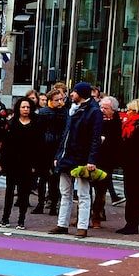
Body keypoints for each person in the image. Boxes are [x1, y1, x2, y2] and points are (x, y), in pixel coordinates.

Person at [48, 82, 103, 238]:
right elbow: (65, 136)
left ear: (81, 94)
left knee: (83, 193)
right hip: (67, 157)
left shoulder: (93, 112)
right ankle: (62, 224)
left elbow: (95, 138)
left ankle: (82, 226)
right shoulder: (72, 110)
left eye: (74, 92)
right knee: (65, 192)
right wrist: (58, 156)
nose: (71, 94)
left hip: (81, 158)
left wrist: (91, 160)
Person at [0, 97, 43, 229]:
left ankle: (21, 220)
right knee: (9, 192)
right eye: (23, 107)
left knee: (24, 193)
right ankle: (5, 219)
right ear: (18, 108)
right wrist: (1, 163)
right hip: (12, 163)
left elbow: (39, 146)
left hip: (27, 164)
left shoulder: (36, 124)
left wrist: (35, 165)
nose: (26, 110)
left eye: (28, 107)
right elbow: (4, 145)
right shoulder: (11, 124)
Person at [115, 99, 139, 234]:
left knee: (135, 194)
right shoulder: (131, 124)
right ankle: (130, 222)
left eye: (129, 110)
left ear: (135, 111)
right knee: (130, 193)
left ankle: (133, 223)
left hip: (137, 165)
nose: (127, 112)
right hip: (130, 164)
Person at [34, 86, 68, 215]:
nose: (60, 102)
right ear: (50, 100)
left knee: (54, 178)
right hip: (45, 148)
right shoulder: (44, 113)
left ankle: (52, 204)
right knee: (44, 178)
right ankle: (42, 203)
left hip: (55, 148)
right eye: (57, 100)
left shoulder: (64, 112)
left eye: (61, 99)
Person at [91, 96, 122, 228]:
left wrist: (105, 140)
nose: (102, 110)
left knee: (101, 190)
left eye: (106, 108)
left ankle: (97, 216)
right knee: (85, 189)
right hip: (92, 158)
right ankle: (84, 215)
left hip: (106, 161)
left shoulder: (117, 123)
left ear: (113, 110)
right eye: (101, 107)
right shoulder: (95, 120)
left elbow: (117, 143)